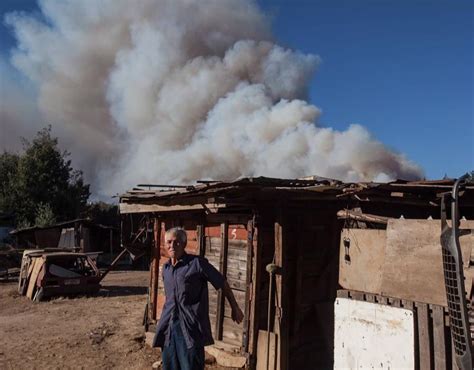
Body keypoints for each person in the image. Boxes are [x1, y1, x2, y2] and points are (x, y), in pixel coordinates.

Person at [153, 227, 244, 370]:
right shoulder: (166, 269)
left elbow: (221, 282)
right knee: (169, 366)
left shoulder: (197, 264)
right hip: (169, 329)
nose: (172, 246)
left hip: (190, 330)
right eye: (168, 242)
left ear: (183, 244)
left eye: (176, 242)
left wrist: (235, 307)